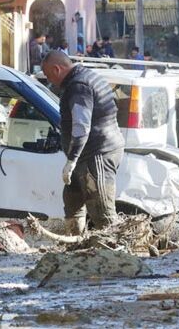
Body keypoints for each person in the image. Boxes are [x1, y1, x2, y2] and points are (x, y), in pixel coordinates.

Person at [41, 50, 125, 233]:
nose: (49, 81)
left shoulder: (78, 86)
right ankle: (76, 245)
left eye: (48, 75)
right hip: (90, 153)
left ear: (57, 69)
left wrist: (71, 160)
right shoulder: (84, 76)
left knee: (102, 210)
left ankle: (118, 255)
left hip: (97, 154)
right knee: (72, 199)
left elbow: (81, 125)